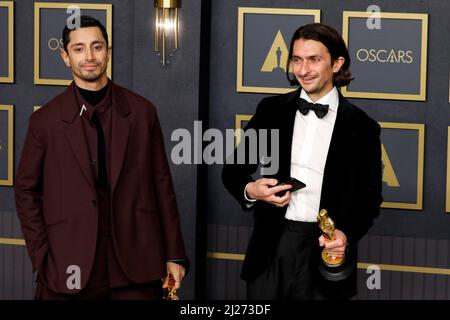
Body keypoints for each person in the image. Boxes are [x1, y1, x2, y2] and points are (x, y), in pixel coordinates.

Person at [14, 15, 188, 300]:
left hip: (137, 265)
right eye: (79, 48)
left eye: (97, 46)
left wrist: (175, 255)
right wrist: (42, 256)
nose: (90, 56)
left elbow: (162, 185)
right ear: (65, 56)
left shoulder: (142, 112)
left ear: (108, 50)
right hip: (67, 267)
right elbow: (25, 190)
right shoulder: (44, 121)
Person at [222, 23, 382, 300]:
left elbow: (369, 199)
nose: (303, 70)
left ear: (337, 63)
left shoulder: (363, 127)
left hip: (324, 248)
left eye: (314, 59)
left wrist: (345, 234)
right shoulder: (271, 110)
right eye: (297, 59)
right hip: (272, 243)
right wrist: (252, 191)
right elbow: (233, 172)